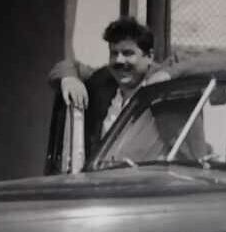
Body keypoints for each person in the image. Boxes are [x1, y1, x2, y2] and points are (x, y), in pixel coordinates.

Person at [49, 17, 169, 159]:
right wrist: (69, 79)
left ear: (149, 56)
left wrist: (169, 74)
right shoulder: (104, 81)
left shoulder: (163, 87)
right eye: (114, 53)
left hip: (150, 177)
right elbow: (66, 66)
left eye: (127, 53)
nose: (119, 60)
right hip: (104, 177)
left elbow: (200, 65)